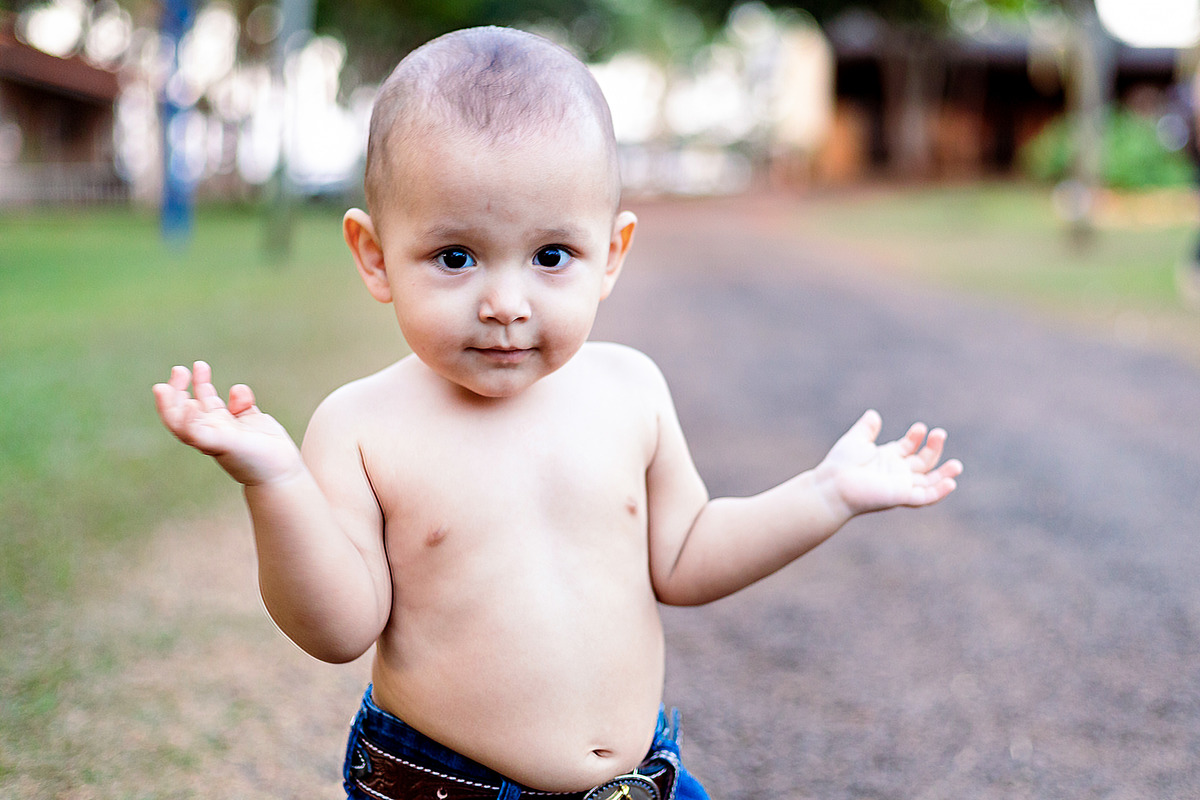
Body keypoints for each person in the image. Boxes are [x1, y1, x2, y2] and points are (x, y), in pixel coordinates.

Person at [152, 26, 963, 800]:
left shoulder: (630, 390)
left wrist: (826, 494)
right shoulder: (363, 426)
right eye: (455, 257)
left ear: (609, 254)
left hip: (645, 781)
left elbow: (684, 557)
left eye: (550, 256)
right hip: (448, 785)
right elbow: (336, 629)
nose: (506, 303)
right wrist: (275, 482)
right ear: (375, 256)